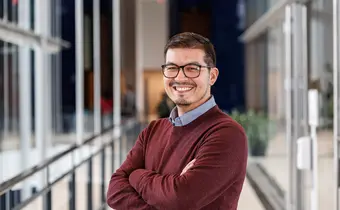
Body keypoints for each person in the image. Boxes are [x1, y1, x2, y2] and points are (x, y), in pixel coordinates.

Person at [106, 32, 248, 210]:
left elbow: (180, 199)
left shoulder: (227, 134)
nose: (180, 77)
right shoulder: (153, 130)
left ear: (212, 76)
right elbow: (114, 191)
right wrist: (167, 192)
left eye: (192, 68)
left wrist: (137, 176)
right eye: (172, 68)